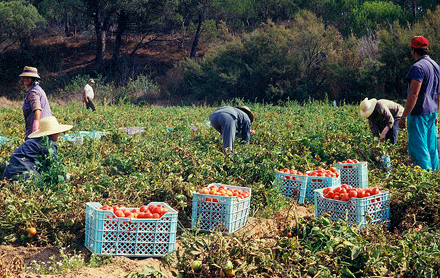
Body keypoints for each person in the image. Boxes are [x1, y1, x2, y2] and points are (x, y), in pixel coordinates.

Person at [398, 36, 440, 171]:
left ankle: (424, 179)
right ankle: (434, 176)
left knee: (419, 149)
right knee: (431, 146)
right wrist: (437, 112)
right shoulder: (435, 66)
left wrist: (404, 116)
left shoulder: (417, 67)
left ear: (414, 51)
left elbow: (414, 94)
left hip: (418, 114)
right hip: (432, 112)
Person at [2, 116, 73, 181]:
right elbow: (54, 166)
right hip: (24, 175)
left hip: (8, 174)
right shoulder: (48, 144)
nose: (59, 134)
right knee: (43, 184)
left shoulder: (32, 141)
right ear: (53, 133)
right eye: (58, 133)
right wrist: (67, 177)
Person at [19, 66, 52, 140]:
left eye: (28, 77)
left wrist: (35, 126)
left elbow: (37, 109)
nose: (25, 79)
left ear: (33, 79)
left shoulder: (33, 92)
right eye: (24, 77)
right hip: (45, 126)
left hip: (39, 128)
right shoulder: (37, 89)